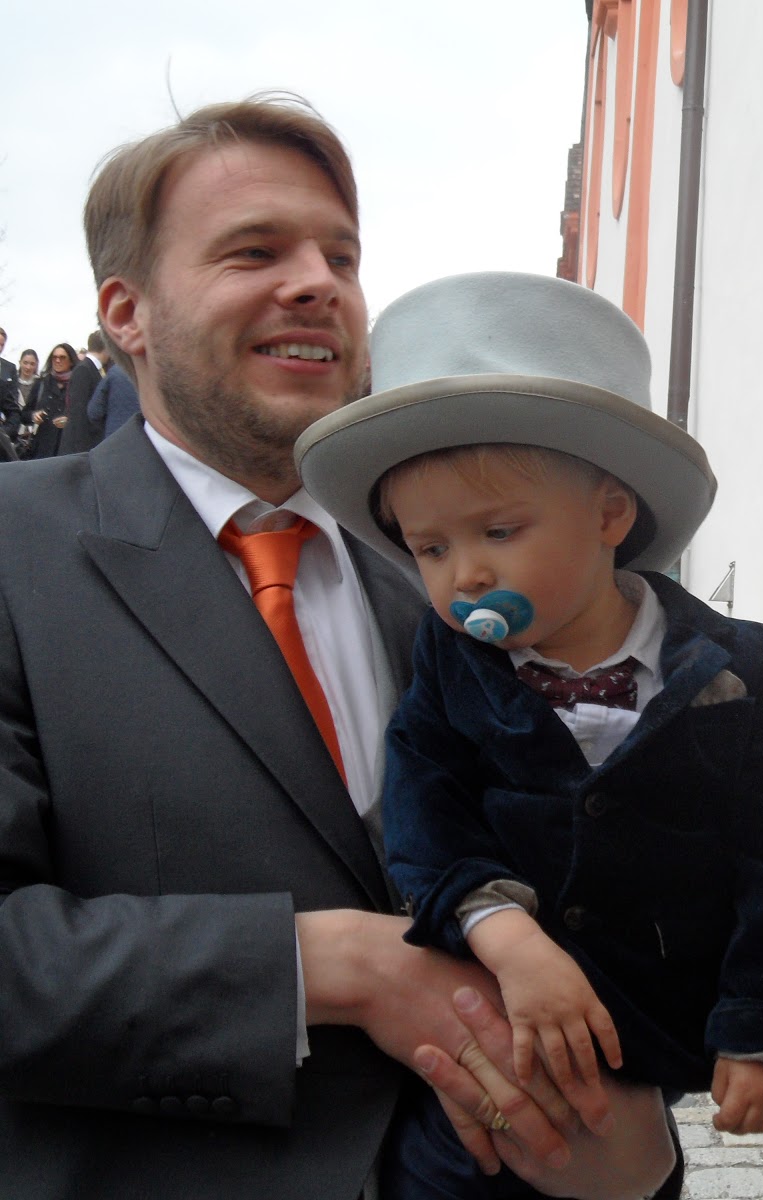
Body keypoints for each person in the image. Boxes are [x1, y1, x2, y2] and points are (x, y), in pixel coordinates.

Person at [0, 97, 588, 1199]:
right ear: (126, 312)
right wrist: (331, 969)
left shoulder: (434, 584)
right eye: (254, 251)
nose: (319, 282)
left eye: (342, 256)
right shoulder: (16, 550)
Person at [295, 271, 763, 1200]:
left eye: (498, 530)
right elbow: (426, 813)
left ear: (610, 514)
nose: (464, 575)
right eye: (430, 548)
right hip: (495, 1014)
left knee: (630, 1175)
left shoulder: (732, 669)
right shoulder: (450, 661)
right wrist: (503, 933)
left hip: (648, 1031)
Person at [57, 328, 111, 454]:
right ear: (107, 347)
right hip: (79, 448)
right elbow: (78, 412)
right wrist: (83, 451)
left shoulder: (92, 369)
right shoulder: (84, 370)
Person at [23, 342, 75, 458]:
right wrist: (33, 416)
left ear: (71, 361)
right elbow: (24, 414)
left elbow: (83, 415)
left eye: (62, 357)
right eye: (54, 357)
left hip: (65, 448)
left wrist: (69, 421)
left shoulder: (77, 385)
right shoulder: (41, 383)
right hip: (41, 448)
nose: (57, 361)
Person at [86, 359, 140, 438]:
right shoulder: (153, 373)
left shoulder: (115, 372)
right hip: (147, 437)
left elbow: (94, 412)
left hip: (115, 434)